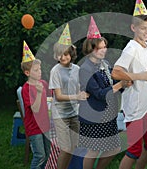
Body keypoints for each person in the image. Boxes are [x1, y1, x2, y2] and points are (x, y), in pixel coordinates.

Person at [78, 16, 131, 169]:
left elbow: (112, 85)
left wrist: (124, 84)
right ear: (90, 49)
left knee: (113, 148)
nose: (104, 50)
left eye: (104, 47)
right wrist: (119, 84)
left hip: (108, 114)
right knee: (93, 150)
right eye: (99, 48)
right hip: (93, 115)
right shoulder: (85, 69)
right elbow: (100, 94)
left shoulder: (105, 64)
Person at [111, 0, 147, 168]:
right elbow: (116, 72)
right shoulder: (130, 48)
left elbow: (135, 67)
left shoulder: (146, 46)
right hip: (133, 107)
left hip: (145, 104)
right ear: (133, 28)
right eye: (143, 28)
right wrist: (140, 75)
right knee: (134, 151)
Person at [49, 23, 89, 169]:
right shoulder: (55, 71)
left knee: (73, 146)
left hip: (74, 113)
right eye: (60, 54)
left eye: (66, 54)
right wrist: (77, 97)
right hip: (60, 114)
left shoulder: (77, 69)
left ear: (71, 54)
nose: (63, 57)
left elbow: (81, 87)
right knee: (65, 148)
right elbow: (58, 96)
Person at [21, 40, 51, 169]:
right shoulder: (26, 89)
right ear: (27, 73)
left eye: (39, 69)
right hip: (34, 127)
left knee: (47, 154)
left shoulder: (43, 83)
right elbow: (35, 108)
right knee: (39, 155)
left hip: (45, 124)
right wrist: (39, 93)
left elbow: (51, 98)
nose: (39, 72)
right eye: (36, 70)